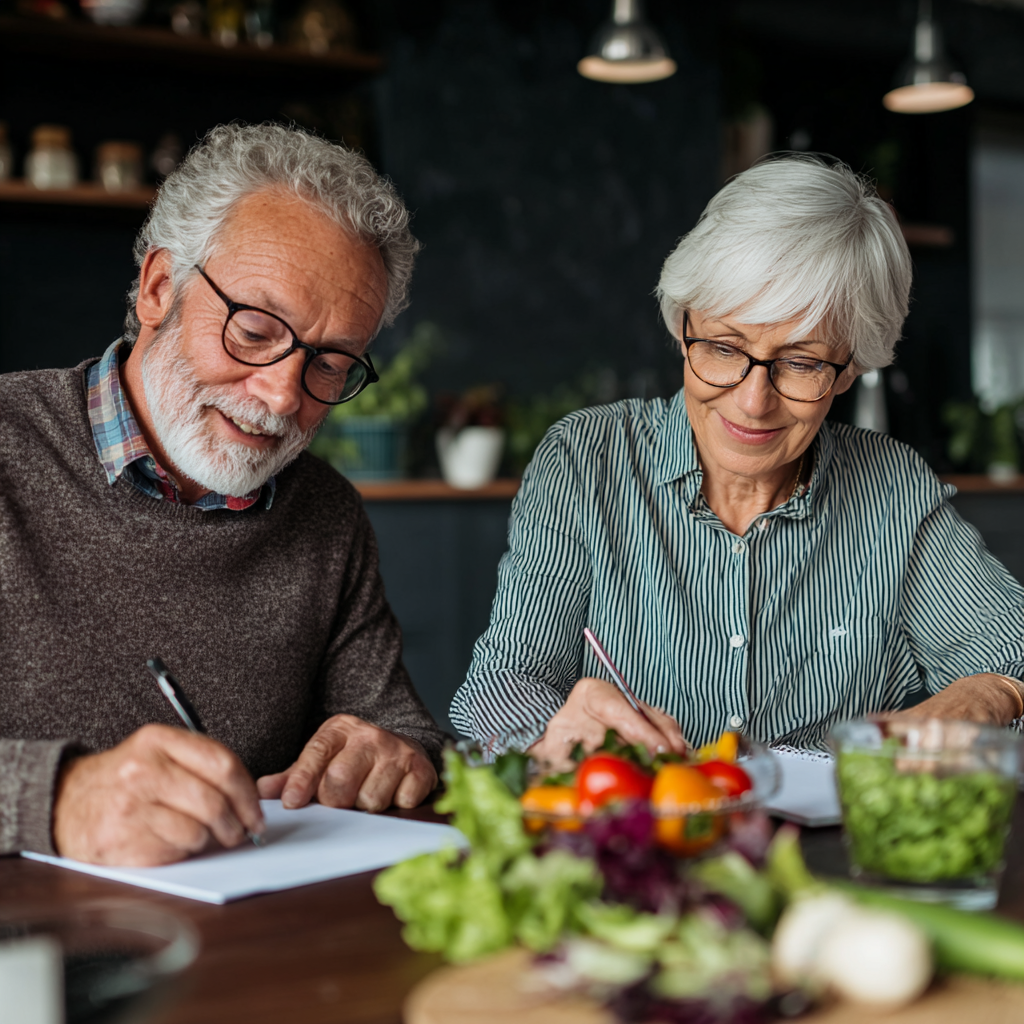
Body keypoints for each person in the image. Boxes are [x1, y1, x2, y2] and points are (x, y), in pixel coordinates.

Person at [451, 154, 1024, 763]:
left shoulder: (893, 488)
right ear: (682, 326)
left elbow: (1011, 657)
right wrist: (555, 732)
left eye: (801, 362)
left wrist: (986, 694)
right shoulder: (587, 461)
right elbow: (497, 689)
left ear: (851, 368)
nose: (753, 402)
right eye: (725, 347)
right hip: (639, 838)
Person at [0, 123, 445, 867]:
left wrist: (395, 755)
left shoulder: (327, 515)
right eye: (255, 329)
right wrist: (58, 798)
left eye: (331, 363)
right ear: (158, 289)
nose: (279, 395)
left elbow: (397, 727)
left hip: (245, 956)